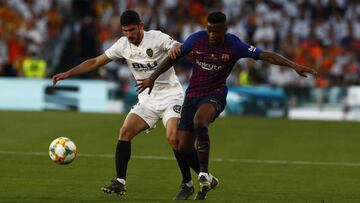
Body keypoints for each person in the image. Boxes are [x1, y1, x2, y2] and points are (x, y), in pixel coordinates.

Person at [136, 11, 317, 200]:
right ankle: (209, 179)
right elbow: (173, 58)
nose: (212, 35)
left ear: (225, 29)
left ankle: (204, 175)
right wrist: (152, 78)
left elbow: (266, 56)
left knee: (200, 121)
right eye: (209, 31)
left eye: (216, 31)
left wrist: (293, 65)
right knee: (182, 146)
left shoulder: (234, 44)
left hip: (215, 94)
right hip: (192, 95)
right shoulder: (196, 40)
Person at [52, 10, 207, 200]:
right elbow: (95, 62)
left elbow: (175, 45)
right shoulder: (123, 45)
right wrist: (68, 73)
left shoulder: (156, 37)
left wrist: (176, 47)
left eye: (132, 30)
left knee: (173, 138)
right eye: (125, 31)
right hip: (147, 100)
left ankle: (188, 182)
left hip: (171, 97)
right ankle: (120, 182)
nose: (129, 35)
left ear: (141, 25)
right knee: (125, 131)